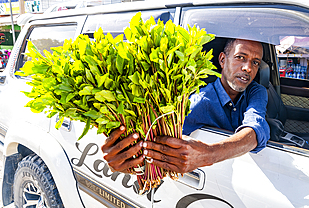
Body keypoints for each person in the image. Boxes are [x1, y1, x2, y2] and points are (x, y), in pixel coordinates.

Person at [102, 38, 270, 174]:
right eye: (240, 57)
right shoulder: (200, 102)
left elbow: (256, 127)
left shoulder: (256, 91)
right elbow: (154, 143)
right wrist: (127, 160)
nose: (248, 68)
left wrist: (209, 154)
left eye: (255, 62)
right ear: (222, 60)